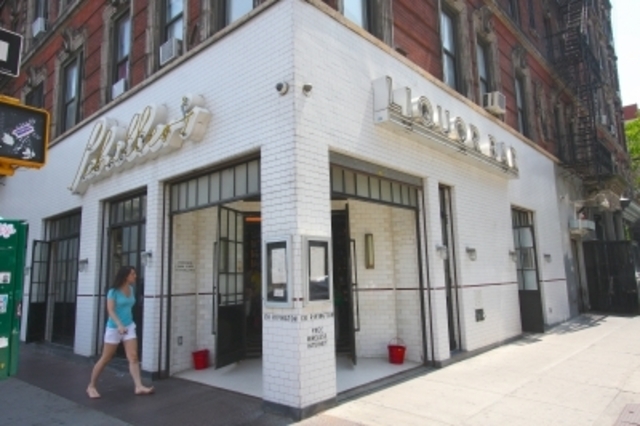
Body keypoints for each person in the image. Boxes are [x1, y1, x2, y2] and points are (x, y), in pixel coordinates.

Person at [87, 266, 154, 398]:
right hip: (114, 328)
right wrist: (119, 324)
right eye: (132, 274)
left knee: (133, 357)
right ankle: (91, 386)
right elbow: (110, 310)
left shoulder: (131, 289)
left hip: (129, 326)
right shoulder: (113, 291)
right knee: (106, 358)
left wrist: (125, 324)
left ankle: (139, 386)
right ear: (125, 276)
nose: (135, 276)